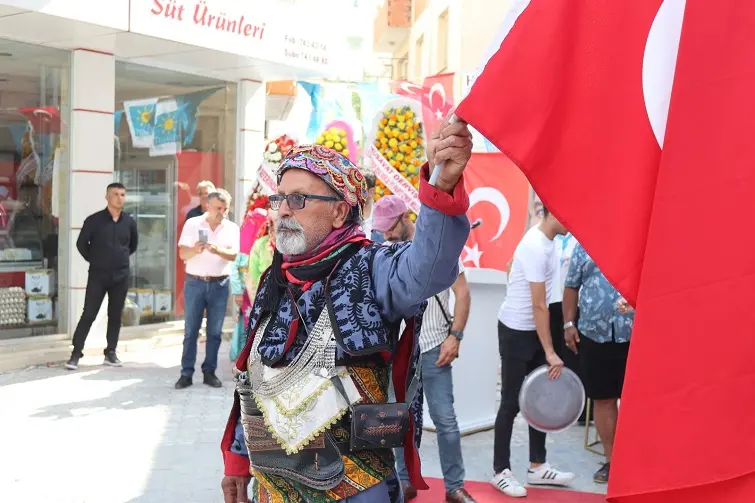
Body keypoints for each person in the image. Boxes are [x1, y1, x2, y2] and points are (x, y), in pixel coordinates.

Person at [220, 118, 472, 503]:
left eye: (299, 199)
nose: (282, 211)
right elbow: (250, 376)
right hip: (271, 488)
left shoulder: (372, 268)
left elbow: (429, 268)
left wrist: (441, 186)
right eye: (279, 198)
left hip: (353, 489)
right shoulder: (277, 276)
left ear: (339, 212)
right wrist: (237, 460)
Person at [372, 195, 476, 503]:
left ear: (406, 218)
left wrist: (455, 335)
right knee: (397, 417)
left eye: (389, 227)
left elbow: (463, 292)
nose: (386, 234)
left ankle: (455, 486)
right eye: (381, 229)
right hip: (399, 348)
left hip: (434, 345)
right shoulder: (382, 250)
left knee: (445, 420)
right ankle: (404, 481)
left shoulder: (437, 247)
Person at [491, 206, 575, 498]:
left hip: (537, 326)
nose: (573, 223)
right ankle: (500, 470)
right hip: (516, 330)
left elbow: (546, 302)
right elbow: (538, 304)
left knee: (539, 397)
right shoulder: (535, 245)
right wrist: (550, 351)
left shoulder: (550, 243)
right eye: (569, 215)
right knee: (511, 403)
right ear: (552, 214)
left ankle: (537, 466)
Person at [563, 243, 634, 483]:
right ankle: (612, 461)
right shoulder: (584, 243)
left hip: (635, 334)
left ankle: (636, 460)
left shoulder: (639, 242)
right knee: (603, 398)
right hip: (594, 333)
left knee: (636, 401)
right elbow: (571, 285)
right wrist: (568, 324)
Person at [65, 182, 137, 370]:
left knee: (115, 314)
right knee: (89, 313)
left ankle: (111, 352)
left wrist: (119, 260)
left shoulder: (129, 221)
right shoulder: (94, 220)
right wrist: (96, 260)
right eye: (115, 194)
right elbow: (81, 244)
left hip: (120, 276)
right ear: (107, 197)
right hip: (98, 275)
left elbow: (132, 246)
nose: (119, 198)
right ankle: (75, 353)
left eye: (122, 194)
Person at [176, 190, 240, 389]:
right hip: (195, 282)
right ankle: (186, 373)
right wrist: (196, 248)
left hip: (219, 284)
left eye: (226, 208)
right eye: (219, 208)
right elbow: (182, 253)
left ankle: (209, 372)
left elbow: (234, 255)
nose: (222, 212)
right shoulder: (193, 224)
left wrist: (216, 250)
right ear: (208, 206)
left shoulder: (231, 227)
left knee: (214, 332)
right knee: (191, 331)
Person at [229, 193, 269, 361]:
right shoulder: (256, 243)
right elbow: (238, 265)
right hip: (249, 290)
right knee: (249, 323)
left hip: (254, 288)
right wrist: (238, 290)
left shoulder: (264, 242)